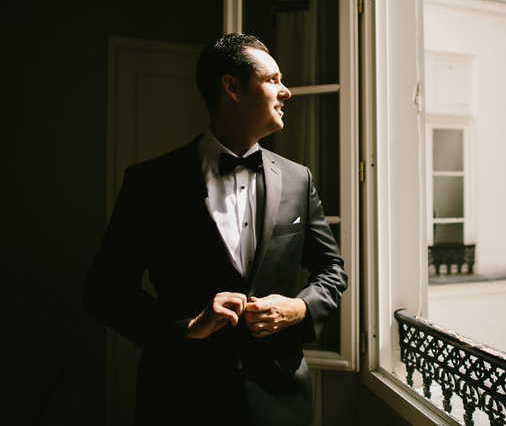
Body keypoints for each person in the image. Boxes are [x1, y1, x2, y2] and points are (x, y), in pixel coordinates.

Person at [83, 33, 347, 425]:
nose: (286, 91)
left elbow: (332, 270)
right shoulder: (150, 183)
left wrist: (299, 307)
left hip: (280, 397)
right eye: (273, 80)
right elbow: (104, 288)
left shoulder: (297, 179)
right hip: (180, 396)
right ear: (232, 88)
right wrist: (187, 326)